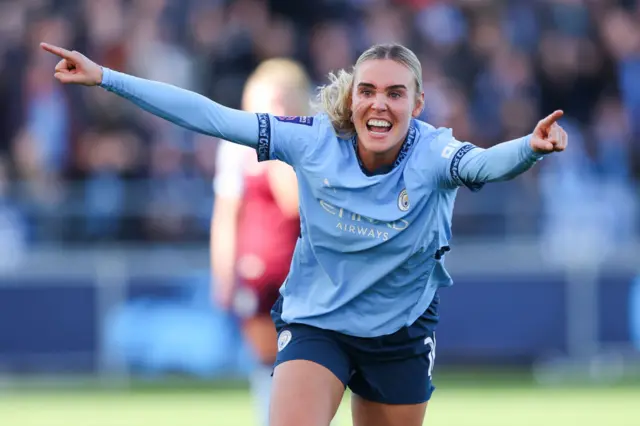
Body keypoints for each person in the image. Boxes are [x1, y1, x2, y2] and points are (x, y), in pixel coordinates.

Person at [40, 41, 568, 426]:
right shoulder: (311, 139)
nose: (379, 104)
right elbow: (212, 117)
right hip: (319, 325)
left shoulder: (435, 152)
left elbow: (485, 165)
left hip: (401, 332)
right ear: (352, 98)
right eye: (367, 91)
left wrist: (528, 147)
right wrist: (107, 76)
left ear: (418, 104)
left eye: (394, 93)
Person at [210, 58, 308, 426]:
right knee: (268, 362)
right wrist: (223, 275)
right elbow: (226, 215)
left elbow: (292, 202)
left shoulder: (308, 139)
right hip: (261, 269)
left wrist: (279, 144)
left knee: (306, 361)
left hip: (305, 271)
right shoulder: (237, 145)